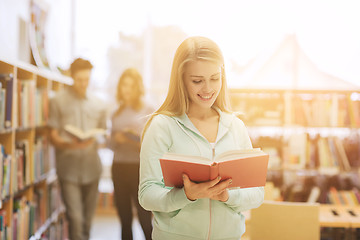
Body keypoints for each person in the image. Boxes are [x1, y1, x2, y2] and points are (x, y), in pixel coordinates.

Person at [138, 36, 264, 240]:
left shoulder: (236, 127)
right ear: (181, 80)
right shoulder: (162, 126)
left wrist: (227, 196)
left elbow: (257, 193)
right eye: (197, 81)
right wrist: (187, 196)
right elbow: (147, 195)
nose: (208, 89)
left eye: (215, 78)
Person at [48, 58, 107, 240]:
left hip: (92, 168)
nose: (83, 84)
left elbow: (104, 135)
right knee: (75, 219)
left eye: (87, 80)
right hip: (69, 169)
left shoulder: (99, 104)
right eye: (80, 79)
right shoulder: (57, 101)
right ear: (71, 76)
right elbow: (53, 135)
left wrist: (97, 139)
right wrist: (70, 143)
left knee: (87, 222)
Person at [109, 68, 153, 240]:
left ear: (138, 88)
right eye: (124, 85)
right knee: (124, 218)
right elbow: (110, 144)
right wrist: (117, 140)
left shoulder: (149, 109)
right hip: (119, 167)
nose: (127, 89)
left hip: (139, 169)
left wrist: (133, 139)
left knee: (144, 217)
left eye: (131, 86)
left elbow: (154, 144)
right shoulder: (115, 113)